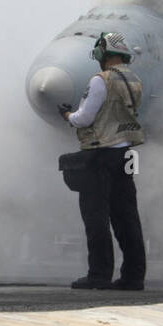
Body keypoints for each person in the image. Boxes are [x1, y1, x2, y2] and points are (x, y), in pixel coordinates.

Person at [59, 31, 146, 290]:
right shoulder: (135, 81)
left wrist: (67, 115)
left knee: (96, 216)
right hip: (126, 154)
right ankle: (133, 276)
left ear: (103, 54)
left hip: (100, 154)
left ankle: (99, 274)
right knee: (127, 217)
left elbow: (84, 118)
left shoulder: (101, 80)